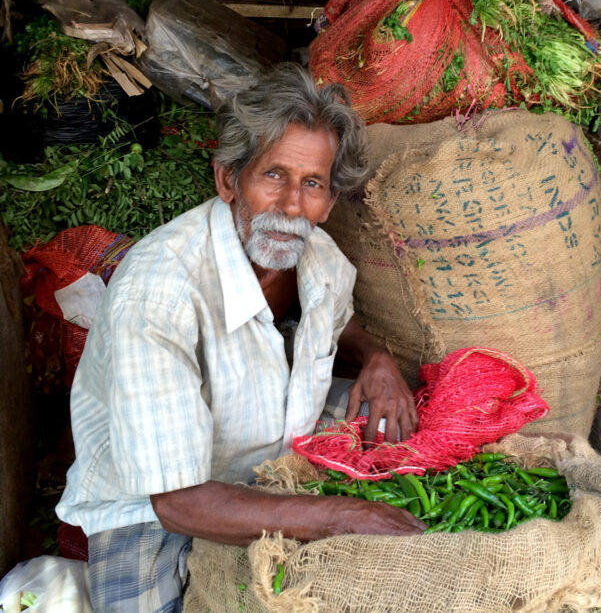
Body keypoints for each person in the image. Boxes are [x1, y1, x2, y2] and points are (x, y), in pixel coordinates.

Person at [56, 63, 425, 612]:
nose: (292, 206)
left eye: (313, 184)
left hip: (271, 474)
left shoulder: (321, 262)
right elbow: (177, 501)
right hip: (152, 507)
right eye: (273, 175)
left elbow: (334, 320)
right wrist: (338, 516)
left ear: (329, 200)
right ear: (229, 180)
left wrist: (376, 358)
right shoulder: (160, 290)